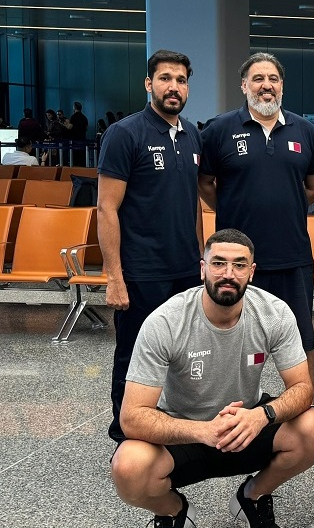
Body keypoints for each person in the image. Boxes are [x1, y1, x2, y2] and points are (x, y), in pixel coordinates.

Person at [110, 229, 314, 528]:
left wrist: (261, 416)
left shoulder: (274, 313)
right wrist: (203, 431)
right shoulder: (166, 322)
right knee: (128, 466)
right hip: (183, 428)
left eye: (239, 265)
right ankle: (175, 512)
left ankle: (252, 497)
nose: (228, 273)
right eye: (218, 263)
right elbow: (132, 417)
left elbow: (303, 388)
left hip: (247, 424)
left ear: (251, 273)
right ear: (202, 269)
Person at [199, 52, 314, 383]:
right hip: (235, 262)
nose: (266, 86)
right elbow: (206, 183)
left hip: (292, 257)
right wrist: (233, 203)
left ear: (282, 86)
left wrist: (285, 200)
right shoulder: (219, 130)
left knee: (301, 340)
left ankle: (303, 410)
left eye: (273, 79)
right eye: (258, 79)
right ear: (244, 85)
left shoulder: (305, 130)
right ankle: (229, 407)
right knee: (230, 338)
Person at [98, 50, 204, 443]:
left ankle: (167, 423)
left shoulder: (192, 134)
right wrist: (115, 277)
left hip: (184, 269)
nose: (173, 87)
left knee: (179, 354)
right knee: (133, 355)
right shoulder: (125, 134)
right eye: (164, 78)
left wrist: (201, 258)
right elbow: (107, 208)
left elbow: (192, 202)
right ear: (149, 84)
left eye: (180, 79)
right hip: (141, 271)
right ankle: (125, 431)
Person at [68, 101, 89, 166]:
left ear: (74, 107)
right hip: (82, 139)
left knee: (75, 158)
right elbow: (86, 128)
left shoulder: (73, 117)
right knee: (82, 157)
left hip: (75, 140)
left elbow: (70, 127)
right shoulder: (84, 117)